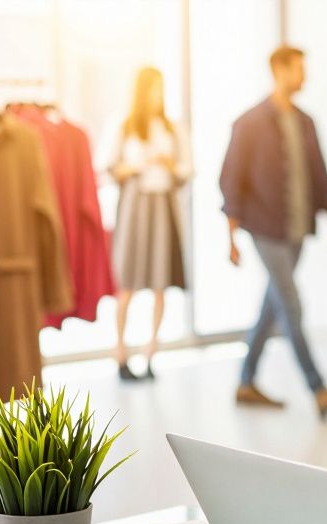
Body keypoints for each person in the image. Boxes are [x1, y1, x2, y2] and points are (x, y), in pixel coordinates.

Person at [219, 46, 327, 418]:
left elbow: (322, 178)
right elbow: (231, 178)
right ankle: (318, 388)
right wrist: (230, 236)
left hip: (296, 229)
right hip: (263, 229)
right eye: (298, 69)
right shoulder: (249, 122)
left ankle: (245, 382)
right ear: (278, 70)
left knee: (272, 305)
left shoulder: (306, 121)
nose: (304, 77)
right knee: (291, 304)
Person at [108, 67, 192, 381]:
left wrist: (171, 165)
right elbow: (109, 168)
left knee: (160, 284)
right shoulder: (124, 126)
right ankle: (120, 353)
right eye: (152, 89)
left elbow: (186, 170)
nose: (157, 95)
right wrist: (136, 166)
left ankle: (150, 353)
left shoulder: (172, 128)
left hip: (163, 206)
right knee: (127, 283)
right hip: (135, 206)